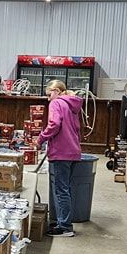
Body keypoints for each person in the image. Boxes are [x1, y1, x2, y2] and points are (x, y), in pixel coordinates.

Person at [37, 80, 83, 238]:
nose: (49, 99)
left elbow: (54, 124)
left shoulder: (56, 104)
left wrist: (41, 138)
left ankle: (65, 227)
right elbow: (77, 129)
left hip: (61, 152)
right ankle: (64, 222)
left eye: (49, 95)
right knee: (66, 189)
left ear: (56, 91)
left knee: (61, 190)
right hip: (73, 152)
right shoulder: (73, 105)